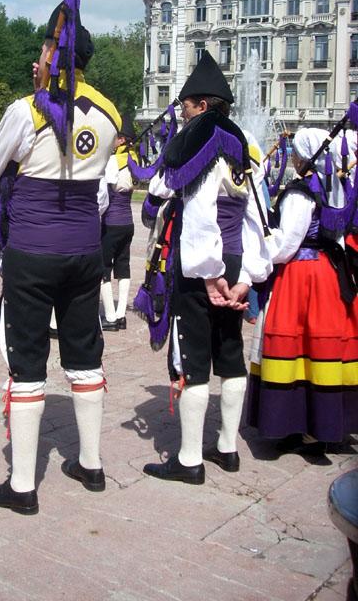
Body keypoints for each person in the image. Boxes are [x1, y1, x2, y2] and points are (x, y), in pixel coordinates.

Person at [0, 0, 121, 515]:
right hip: (84, 250)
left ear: (51, 52)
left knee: (28, 363)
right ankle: (91, 464)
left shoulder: (28, 110)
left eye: (42, 48)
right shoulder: (109, 114)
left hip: (33, 252)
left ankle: (21, 487)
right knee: (85, 356)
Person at [142, 51, 270, 485]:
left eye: (184, 105)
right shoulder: (247, 141)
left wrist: (211, 272)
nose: (180, 112)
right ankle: (228, 449)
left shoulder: (200, 136)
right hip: (234, 262)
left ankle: (190, 460)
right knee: (230, 353)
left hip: (203, 267)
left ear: (199, 104)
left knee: (194, 359)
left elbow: (197, 212)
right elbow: (256, 215)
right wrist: (246, 276)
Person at [246, 127, 358, 454]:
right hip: (329, 273)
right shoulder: (334, 187)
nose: (290, 157)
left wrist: (261, 247)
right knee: (321, 347)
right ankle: (324, 422)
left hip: (301, 276)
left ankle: (295, 423)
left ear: (304, 156)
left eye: (294, 151)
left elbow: (286, 244)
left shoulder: (300, 193)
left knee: (294, 345)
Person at [100, 114, 137, 331]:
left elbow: (105, 193)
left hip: (111, 222)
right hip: (128, 223)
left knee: (104, 267)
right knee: (123, 266)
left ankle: (111, 316)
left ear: (121, 139)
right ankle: (121, 314)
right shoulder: (135, 160)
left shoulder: (114, 161)